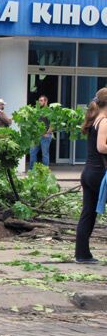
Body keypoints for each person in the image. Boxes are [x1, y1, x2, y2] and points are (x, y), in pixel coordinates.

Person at [75, 88, 107, 264]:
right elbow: (102, 147)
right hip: (100, 174)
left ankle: (82, 254)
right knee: (88, 213)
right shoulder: (104, 122)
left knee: (88, 213)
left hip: (88, 173)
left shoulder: (95, 120)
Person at [29, 95, 53, 170]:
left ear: (46, 101)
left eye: (41, 100)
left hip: (45, 136)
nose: (39, 102)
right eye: (39, 100)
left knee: (45, 154)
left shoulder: (49, 111)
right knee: (32, 152)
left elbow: (53, 124)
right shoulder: (37, 111)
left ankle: (45, 171)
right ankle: (32, 170)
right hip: (36, 136)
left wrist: (47, 133)